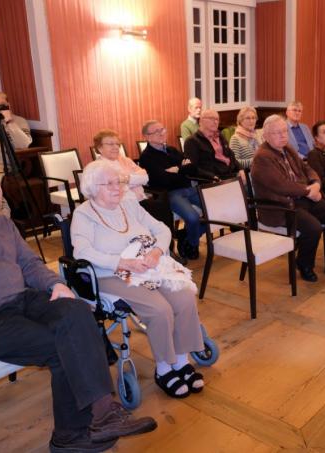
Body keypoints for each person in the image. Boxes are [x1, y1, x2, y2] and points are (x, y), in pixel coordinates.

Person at [0, 172, 157, 452]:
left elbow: (29, 263)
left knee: (78, 311)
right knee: (61, 347)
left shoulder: (1, 224)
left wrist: (56, 284)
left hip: (21, 301)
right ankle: (69, 438)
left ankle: (103, 414)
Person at [71, 160, 208, 400]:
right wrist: (122, 263)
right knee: (159, 309)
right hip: (111, 273)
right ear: (92, 188)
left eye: (120, 182)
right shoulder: (83, 214)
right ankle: (165, 367)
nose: (118, 188)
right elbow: (82, 252)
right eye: (109, 183)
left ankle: (182, 360)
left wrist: (157, 251)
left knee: (184, 296)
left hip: (147, 266)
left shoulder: (129, 204)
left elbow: (162, 229)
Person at [251, 115, 325, 282]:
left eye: (284, 131)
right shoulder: (262, 157)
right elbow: (280, 185)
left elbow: (307, 168)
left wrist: (315, 183)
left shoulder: (287, 148)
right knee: (313, 227)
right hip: (280, 206)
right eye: (277, 133)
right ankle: (304, 264)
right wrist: (309, 191)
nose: (283, 136)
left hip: (301, 198)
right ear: (265, 136)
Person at [138, 120, 205, 261]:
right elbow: (162, 180)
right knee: (193, 217)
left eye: (163, 129)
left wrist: (177, 170)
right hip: (171, 193)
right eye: (157, 131)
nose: (162, 133)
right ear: (147, 137)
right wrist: (182, 169)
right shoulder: (146, 157)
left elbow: (193, 168)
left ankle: (184, 236)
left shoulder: (172, 150)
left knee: (216, 210)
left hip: (189, 188)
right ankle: (191, 244)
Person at [183, 109, 244, 181]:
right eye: (211, 119)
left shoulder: (220, 136)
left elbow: (232, 157)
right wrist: (211, 177)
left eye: (217, 119)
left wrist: (241, 169)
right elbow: (192, 168)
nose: (215, 122)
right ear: (201, 121)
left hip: (231, 175)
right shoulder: (192, 141)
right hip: (213, 180)